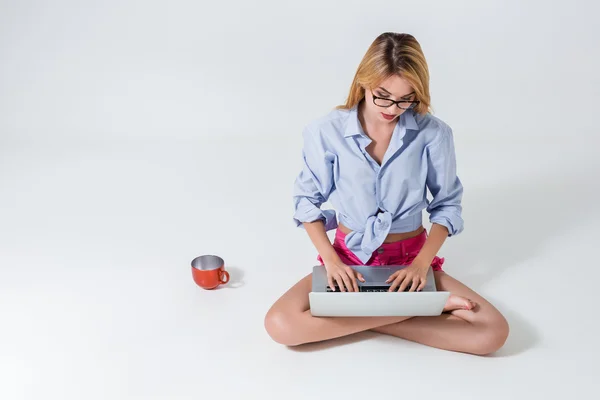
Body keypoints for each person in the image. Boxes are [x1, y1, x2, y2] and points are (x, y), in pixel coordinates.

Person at [264, 32, 509, 355]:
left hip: (411, 261)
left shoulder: (434, 133)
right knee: (280, 324)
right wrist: (333, 263)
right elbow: (306, 202)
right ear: (364, 82)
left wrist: (421, 266)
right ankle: (419, 308)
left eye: (406, 98)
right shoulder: (325, 131)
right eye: (383, 95)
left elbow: (447, 205)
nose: (393, 108)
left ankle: (364, 313)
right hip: (348, 260)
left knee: (492, 332)